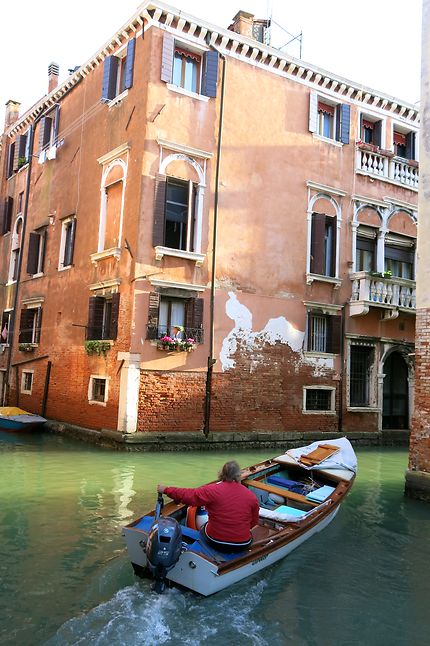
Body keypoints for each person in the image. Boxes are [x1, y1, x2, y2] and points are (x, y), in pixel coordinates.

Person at [157, 460, 260, 553]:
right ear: (239, 475)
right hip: (241, 544)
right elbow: (253, 522)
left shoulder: (212, 490)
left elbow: (188, 495)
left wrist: (166, 490)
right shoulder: (251, 496)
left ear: (222, 474)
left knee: (204, 527)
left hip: (216, 541)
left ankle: (201, 551)